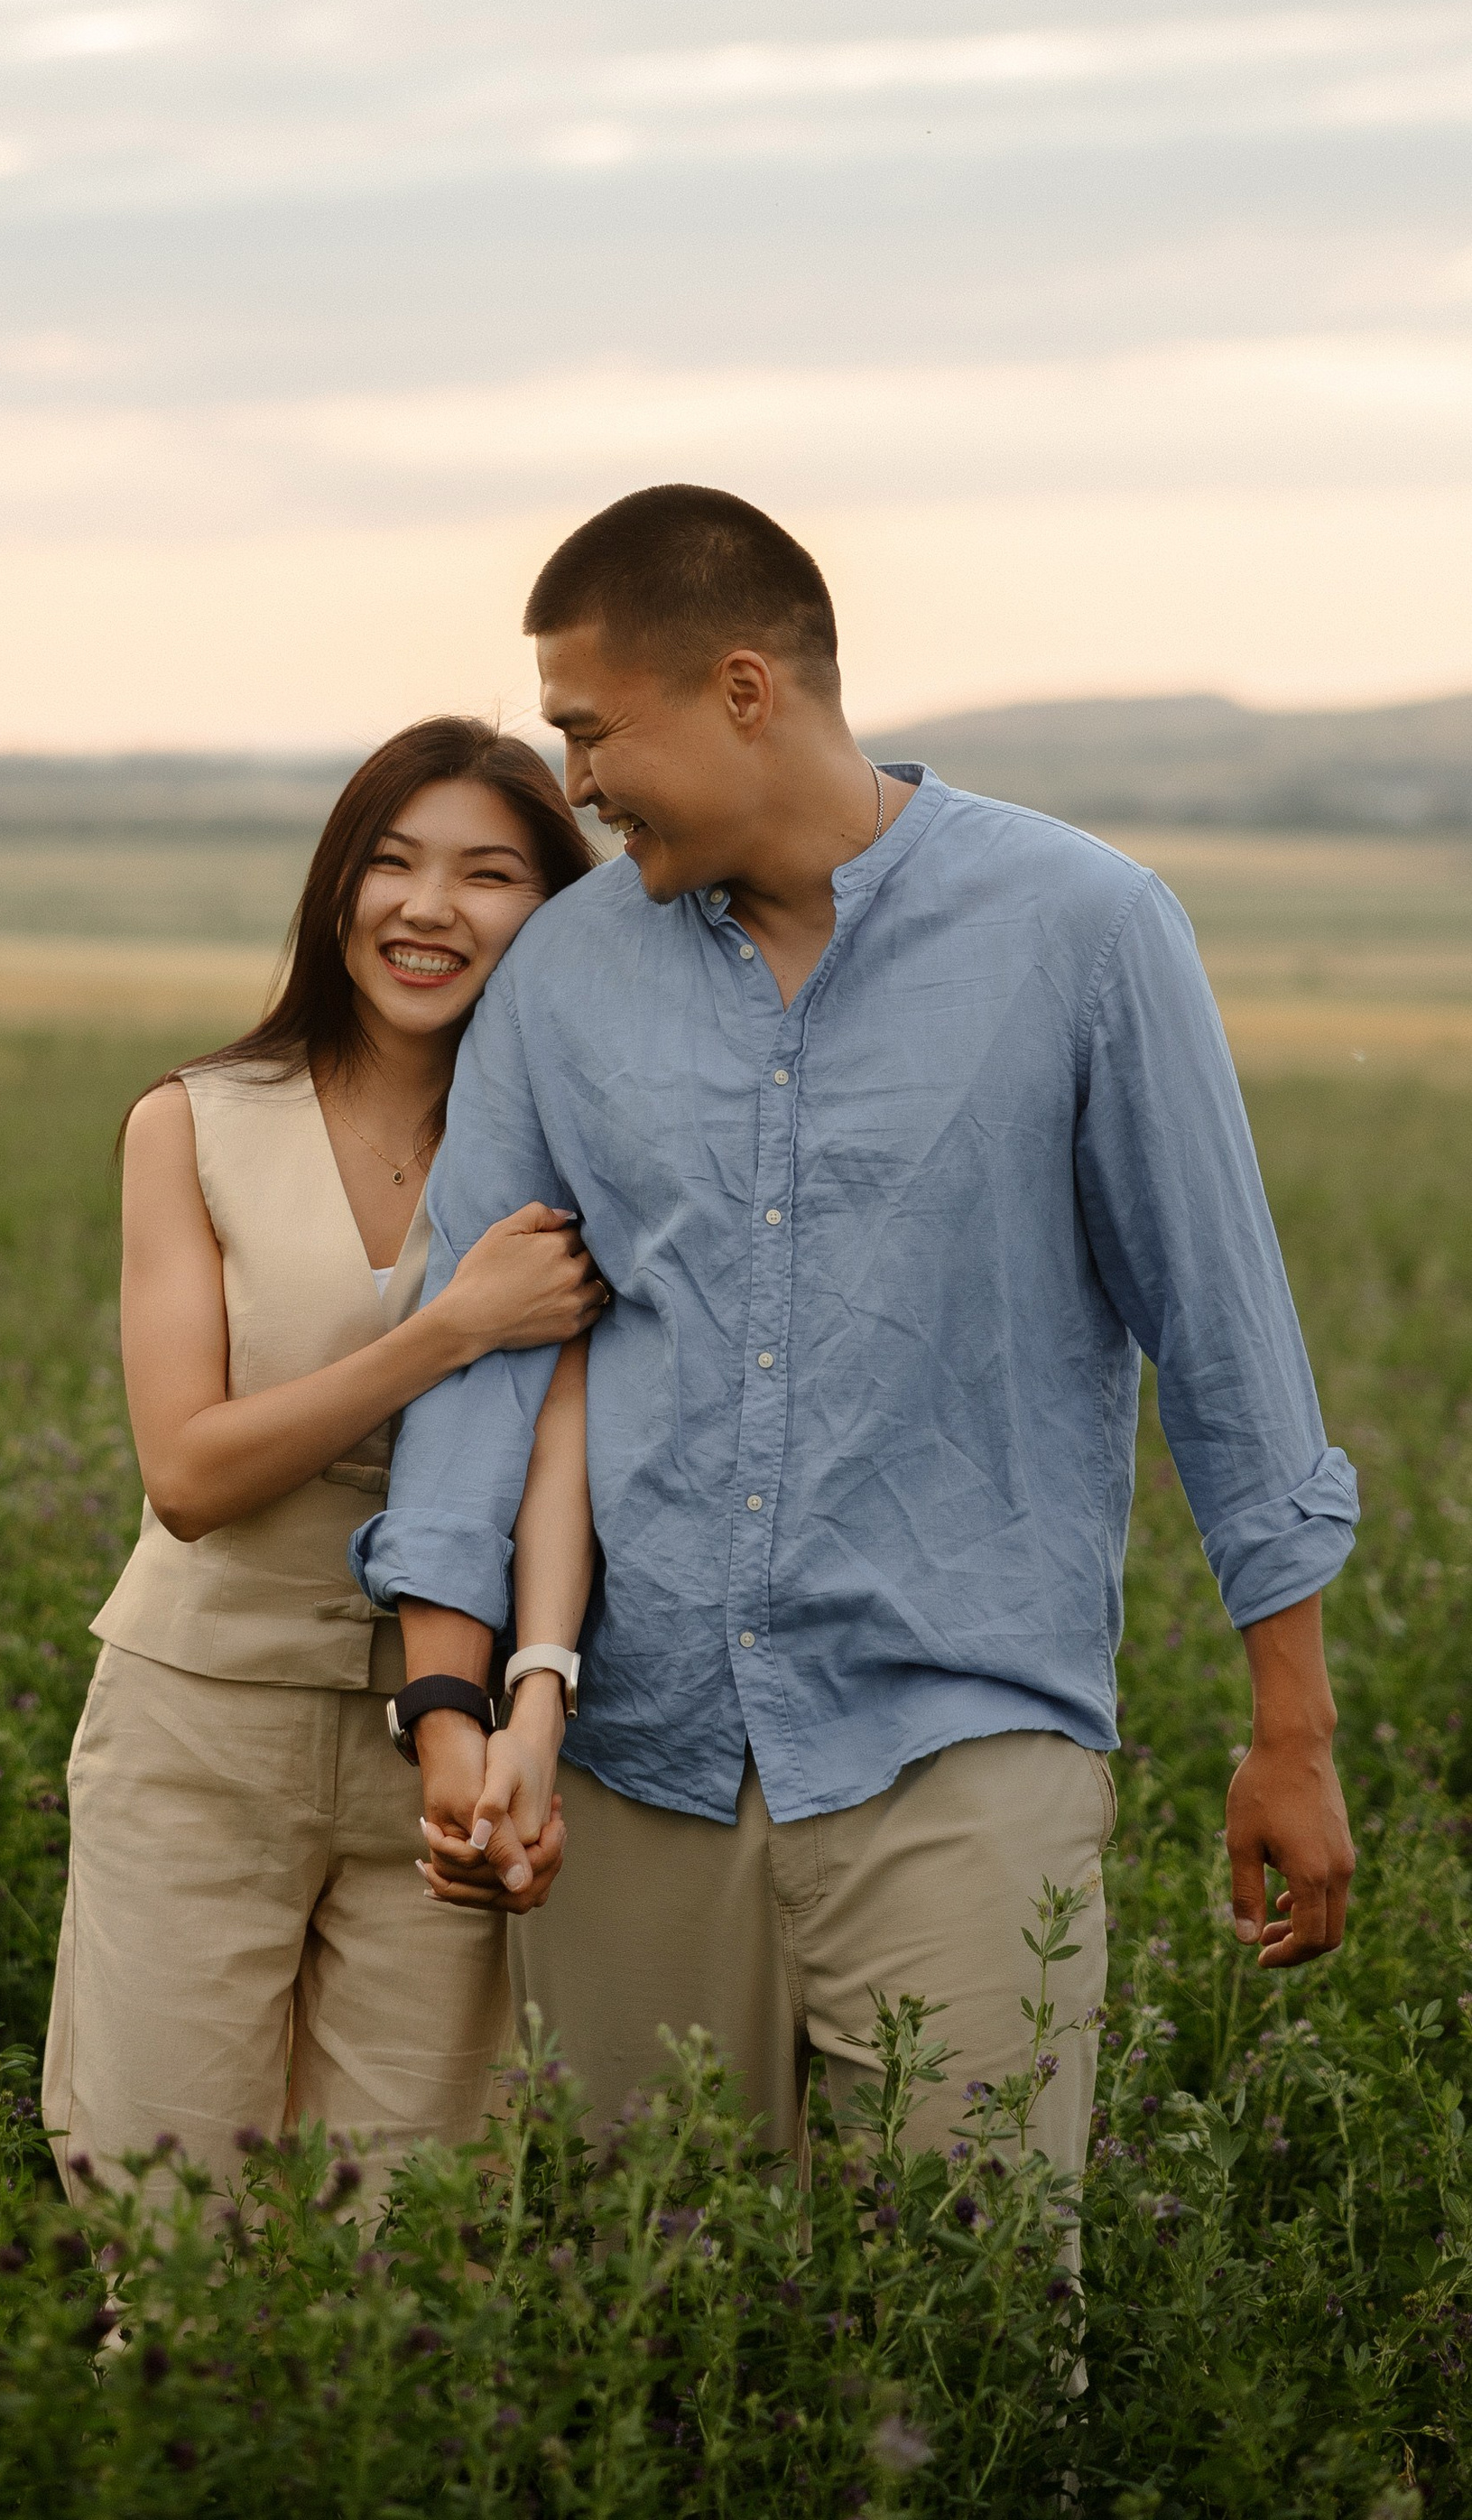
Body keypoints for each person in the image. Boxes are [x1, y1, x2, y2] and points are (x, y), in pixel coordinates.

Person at [354, 485, 1360, 2192]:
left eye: (594, 730)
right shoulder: (562, 979)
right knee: (645, 2335)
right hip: (636, 1759)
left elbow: (1225, 1337)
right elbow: (488, 1363)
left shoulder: (1087, 931)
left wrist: (1296, 1731)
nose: (577, 783)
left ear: (747, 688)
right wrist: (452, 1719)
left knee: (966, 2322)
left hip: (963, 1737)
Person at [42, 716, 608, 2205]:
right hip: (199, 1727)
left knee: (409, 2239)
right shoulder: (195, 1124)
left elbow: (571, 1453)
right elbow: (191, 1473)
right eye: (392, 863)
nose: (429, 909)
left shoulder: (573, 1156)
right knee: (165, 2216)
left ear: (557, 912)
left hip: (449, 1750)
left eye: (489, 874)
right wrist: (451, 1329)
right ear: (335, 889)